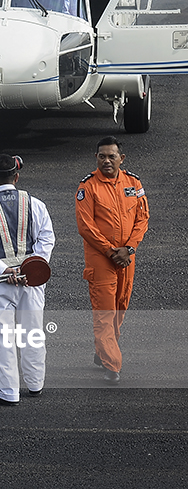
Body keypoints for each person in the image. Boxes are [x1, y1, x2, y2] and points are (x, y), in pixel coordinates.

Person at [0, 154, 55, 405]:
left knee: (3, 338)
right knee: (33, 332)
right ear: (16, 177)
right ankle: (35, 383)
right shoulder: (35, 204)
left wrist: (2, 270)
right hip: (31, 280)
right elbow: (46, 239)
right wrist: (32, 267)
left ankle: (8, 392)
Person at [75, 136, 148, 383]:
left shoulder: (134, 183)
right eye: (102, 156)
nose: (107, 160)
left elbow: (142, 219)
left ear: (121, 158)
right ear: (96, 158)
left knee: (120, 307)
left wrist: (129, 248)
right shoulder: (88, 187)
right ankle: (112, 365)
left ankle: (102, 351)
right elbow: (86, 226)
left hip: (127, 257)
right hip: (101, 259)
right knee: (105, 311)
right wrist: (110, 252)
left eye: (111, 156)